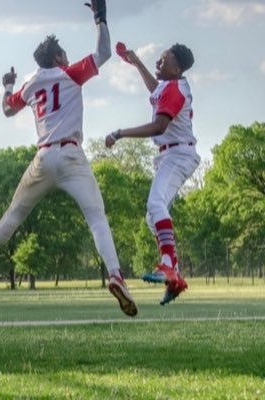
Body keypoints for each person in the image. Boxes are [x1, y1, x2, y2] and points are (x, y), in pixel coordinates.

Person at [0, 0, 137, 317]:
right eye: (64, 53)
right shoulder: (69, 73)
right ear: (58, 57)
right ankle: (115, 274)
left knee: (14, 214)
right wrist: (100, 18)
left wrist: (8, 86)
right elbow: (104, 53)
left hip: (43, 157)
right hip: (71, 154)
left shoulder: (30, 84)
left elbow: (6, 109)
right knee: (96, 217)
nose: (67, 56)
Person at [105, 42, 200, 305]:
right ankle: (175, 277)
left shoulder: (174, 89)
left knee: (155, 204)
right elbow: (155, 90)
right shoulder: (170, 86)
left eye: (164, 59)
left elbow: (159, 126)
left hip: (178, 154)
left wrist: (120, 133)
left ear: (177, 67)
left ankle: (169, 264)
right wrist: (135, 61)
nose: (159, 62)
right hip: (173, 153)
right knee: (152, 217)